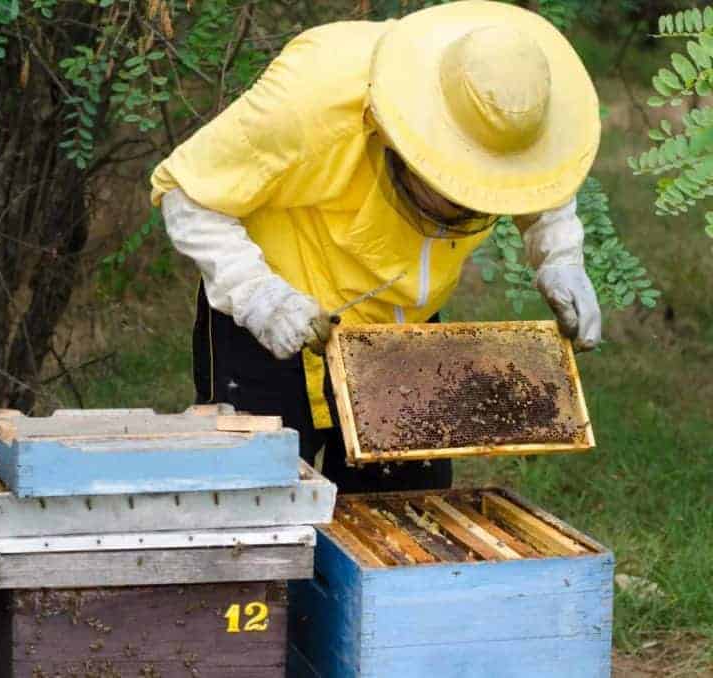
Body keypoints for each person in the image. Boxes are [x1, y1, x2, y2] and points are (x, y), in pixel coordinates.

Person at [149, 1, 602, 493]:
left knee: (404, 519)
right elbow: (186, 193)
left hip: (402, 335)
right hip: (274, 316)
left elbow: (536, 175)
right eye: (452, 190)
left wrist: (559, 255)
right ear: (399, 135)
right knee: (260, 516)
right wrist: (258, 294)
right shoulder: (311, 94)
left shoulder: (514, 96)